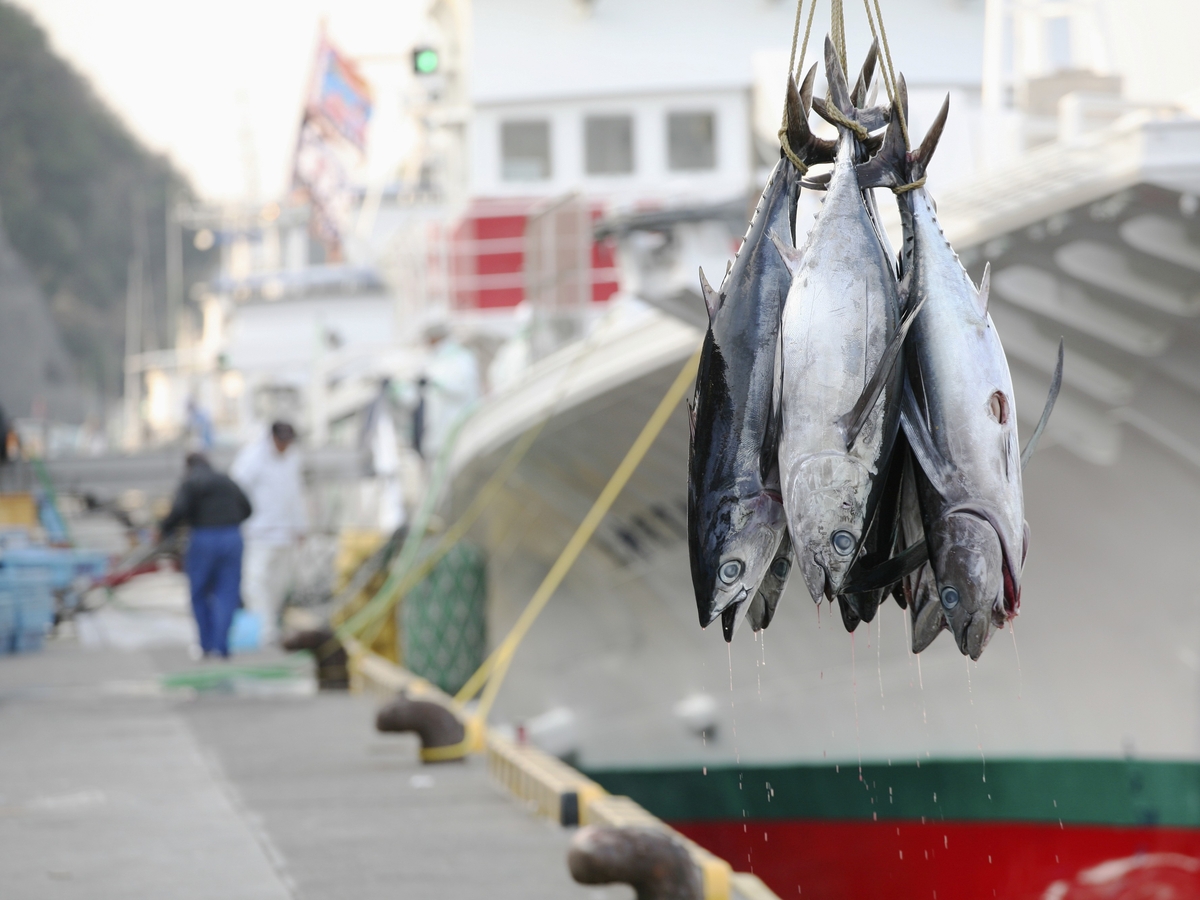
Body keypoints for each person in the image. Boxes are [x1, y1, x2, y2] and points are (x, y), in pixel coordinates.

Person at [160, 453, 252, 659]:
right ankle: (222, 646)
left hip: (203, 537)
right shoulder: (227, 481)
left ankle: (206, 645)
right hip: (232, 536)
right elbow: (248, 508)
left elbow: (178, 511)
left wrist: (165, 529)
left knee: (200, 592)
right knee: (228, 593)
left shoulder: (191, 482)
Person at [231, 421, 308, 644]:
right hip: (258, 533)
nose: (284, 446)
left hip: (285, 533)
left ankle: (271, 624)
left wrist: (300, 526)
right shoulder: (251, 457)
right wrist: (240, 521)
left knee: (278, 584)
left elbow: (296, 494)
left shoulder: (293, 458)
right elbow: (237, 489)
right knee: (254, 582)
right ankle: (264, 630)